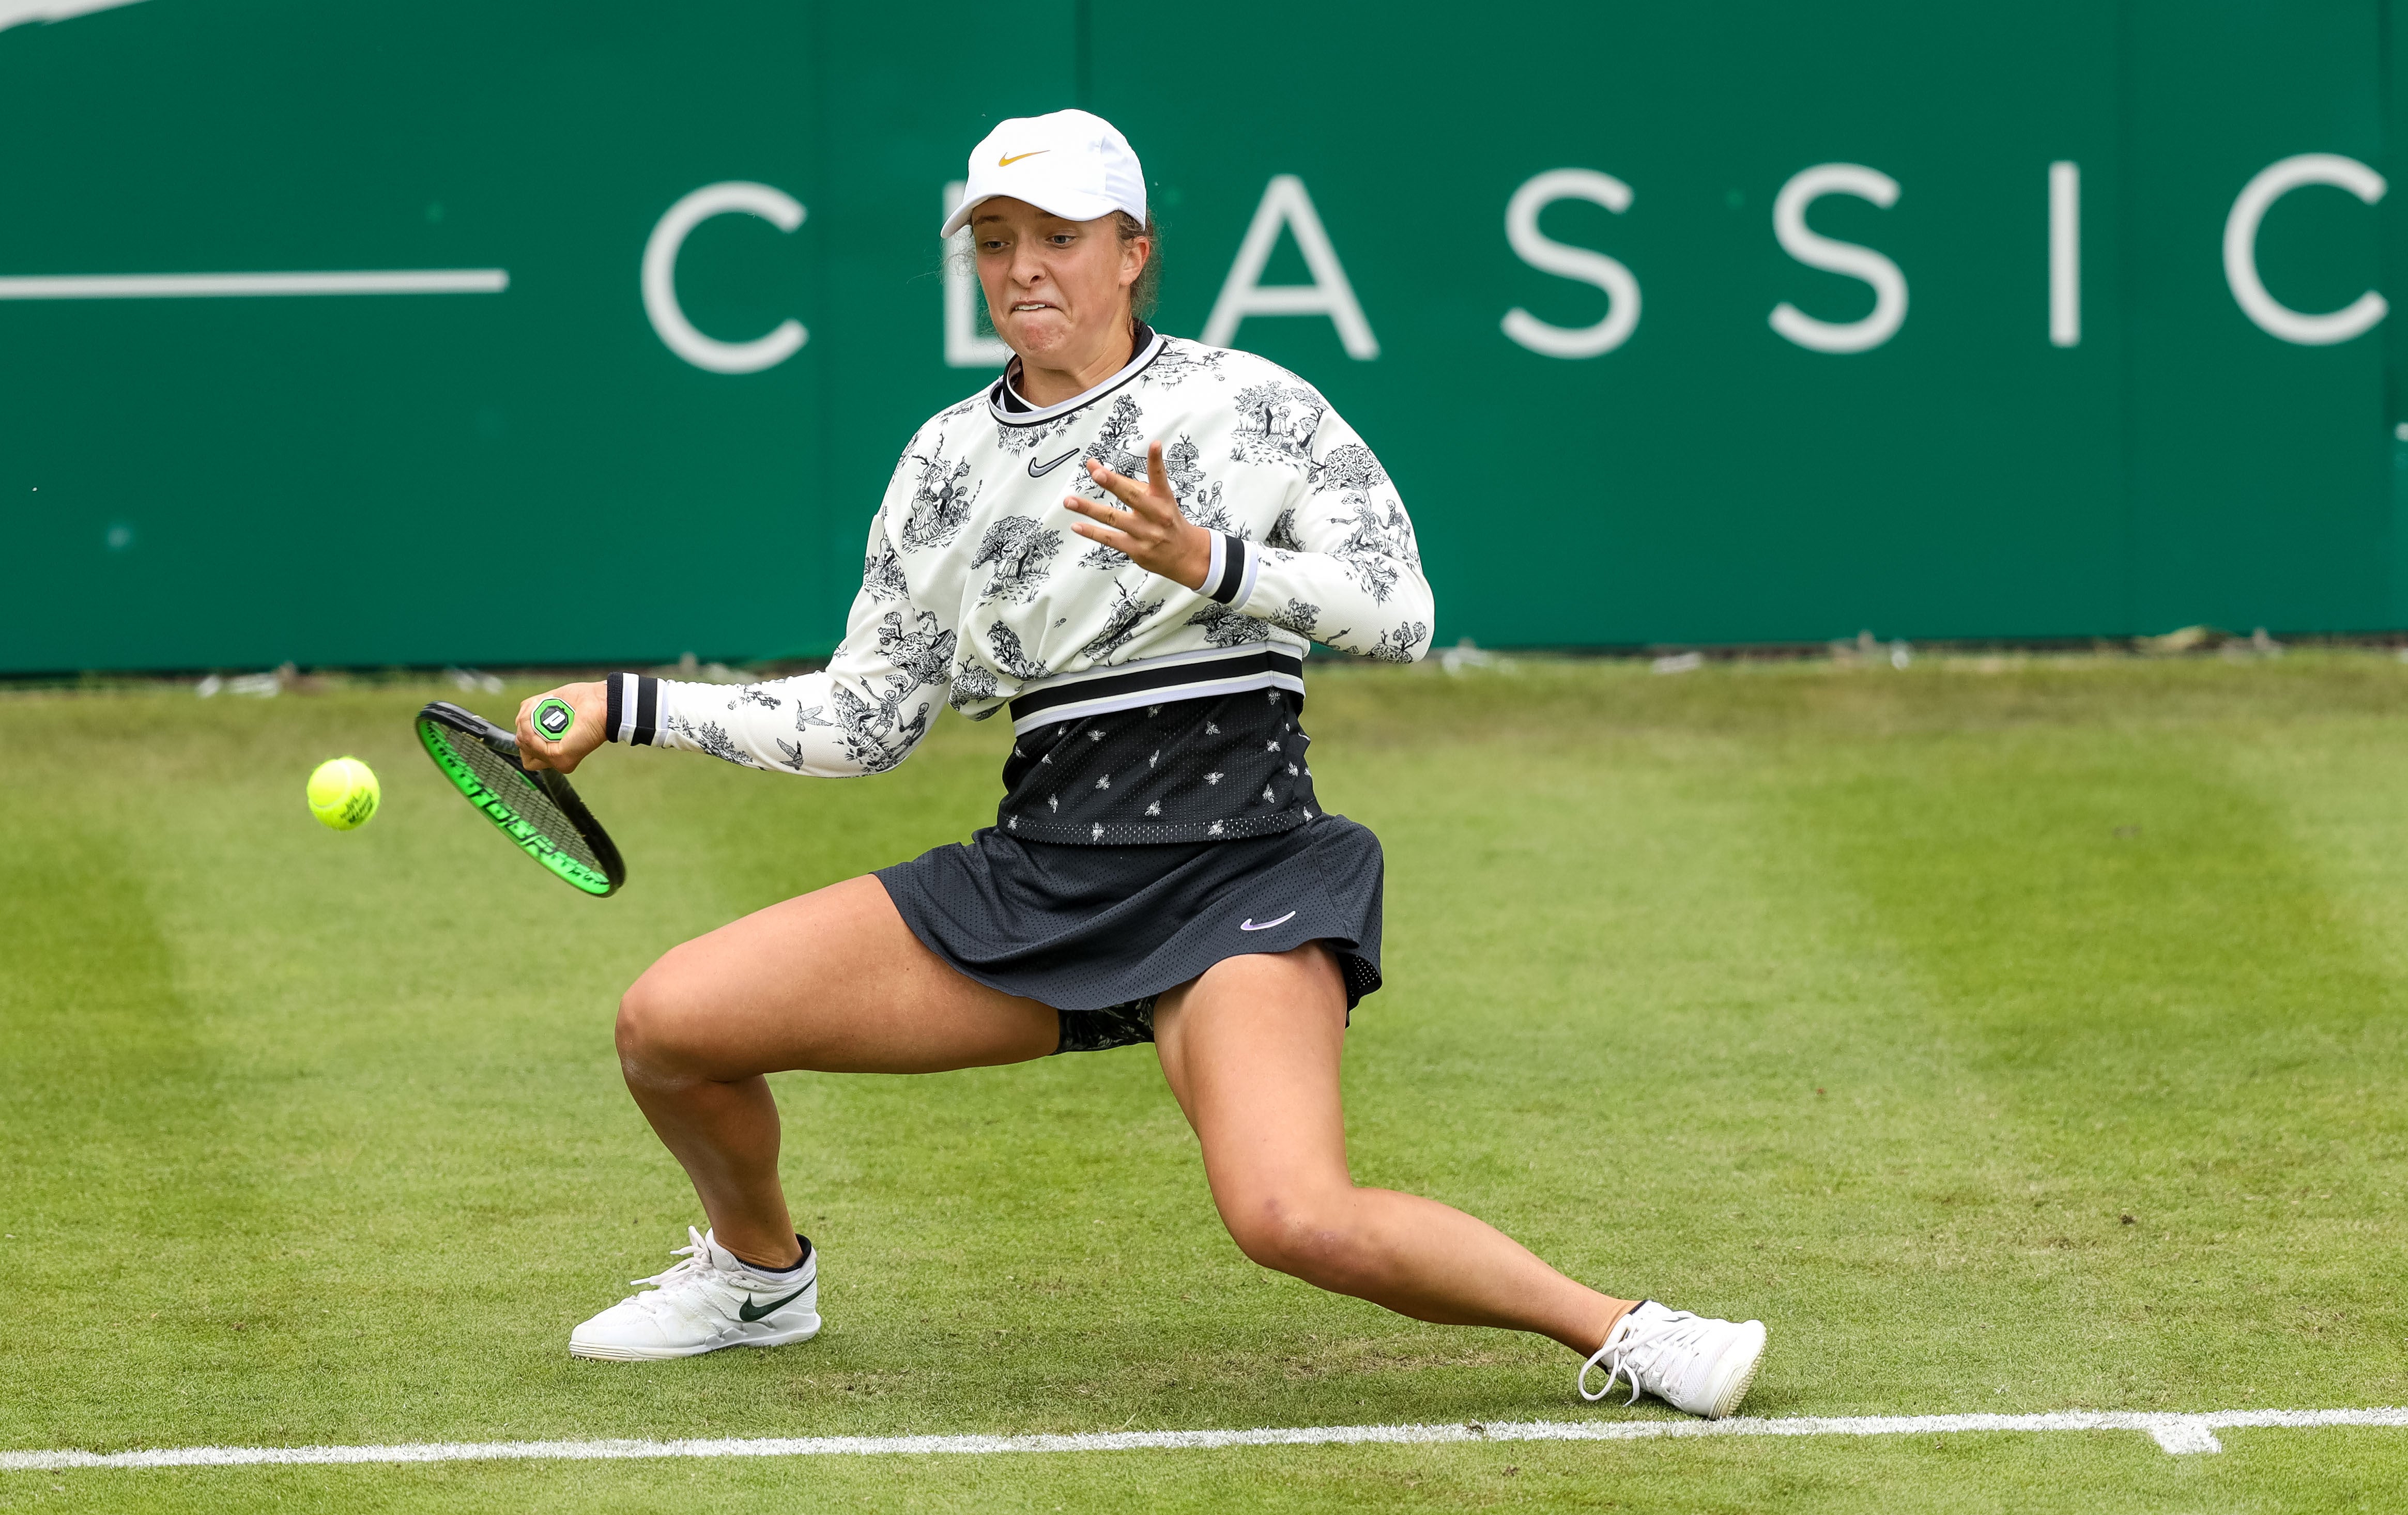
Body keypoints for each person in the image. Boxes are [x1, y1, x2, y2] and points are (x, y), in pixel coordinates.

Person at [516, 109, 1767, 1418]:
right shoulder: (943, 462)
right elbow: (867, 721)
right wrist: (631, 703)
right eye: (995, 242)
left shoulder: (1255, 406)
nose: (1023, 269)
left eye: (1059, 238)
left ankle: (1627, 1329)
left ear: (1131, 253)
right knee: (669, 1023)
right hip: (1041, 871)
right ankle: (758, 1278)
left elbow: (1400, 616)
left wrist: (1213, 563)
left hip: (1243, 871)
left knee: (1288, 1214)